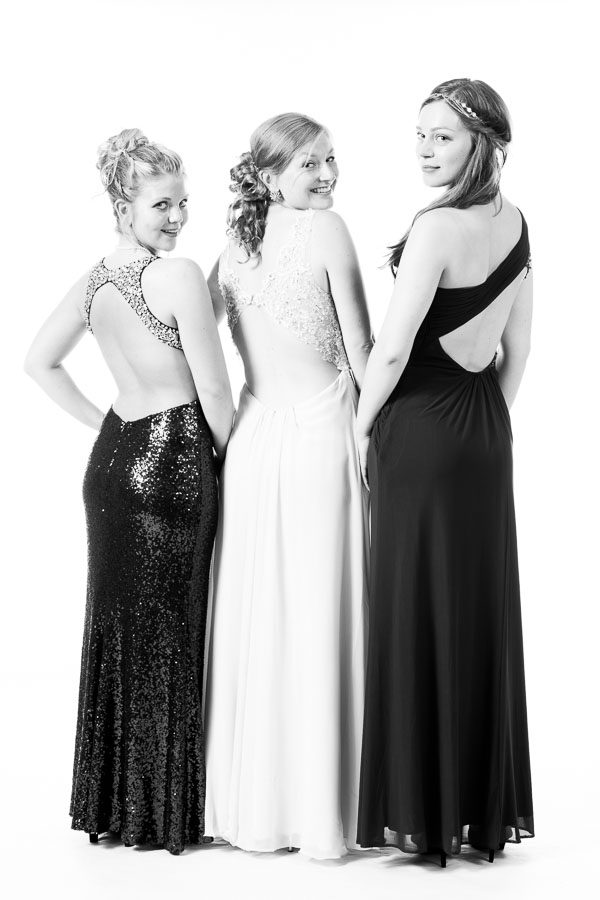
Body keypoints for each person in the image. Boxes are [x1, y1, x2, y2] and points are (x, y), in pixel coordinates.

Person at [24, 128, 234, 854]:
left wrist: (105, 428)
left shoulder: (93, 282)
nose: (177, 218)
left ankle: (114, 808)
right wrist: (234, 459)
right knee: (171, 635)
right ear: (123, 206)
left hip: (113, 464)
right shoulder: (176, 275)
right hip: (173, 461)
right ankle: (164, 814)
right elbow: (213, 389)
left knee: (117, 632)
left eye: (183, 203)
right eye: (160, 205)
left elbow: (39, 362)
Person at [356, 79, 534, 865]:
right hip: (484, 429)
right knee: (473, 607)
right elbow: (518, 349)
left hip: (421, 430)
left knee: (413, 605)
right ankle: (471, 810)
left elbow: (393, 349)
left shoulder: (435, 227)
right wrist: (482, 426)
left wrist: (363, 426)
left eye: (443, 137)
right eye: (421, 134)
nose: (425, 150)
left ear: (481, 145)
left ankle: (421, 813)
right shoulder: (517, 222)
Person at [204, 112, 372, 859]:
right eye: (310, 163)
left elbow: (191, 341)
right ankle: (330, 806)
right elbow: (363, 349)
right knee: (321, 610)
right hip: (321, 434)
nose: (329, 174)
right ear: (269, 175)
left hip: (251, 444)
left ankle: (259, 805)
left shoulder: (229, 252)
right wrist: (389, 431)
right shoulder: (326, 231)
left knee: (260, 620)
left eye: (331, 158)